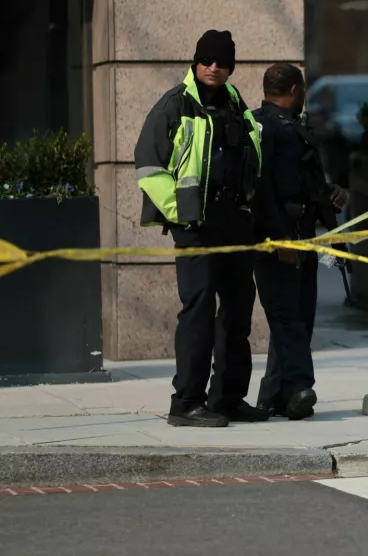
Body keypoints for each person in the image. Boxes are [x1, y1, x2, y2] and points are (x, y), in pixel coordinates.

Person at [134, 30, 268, 427]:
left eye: (222, 62)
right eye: (207, 60)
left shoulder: (237, 105)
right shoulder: (175, 105)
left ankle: (227, 397)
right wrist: (182, 211)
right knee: (197, 310)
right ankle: (187, 402)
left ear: (231, 67)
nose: (214, 67)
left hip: (235, 223)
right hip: (195, 225)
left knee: (238, 312)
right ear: (195, 63)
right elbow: (148, 165)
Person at [251, 63, 348, 420]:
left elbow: (303, 183)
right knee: (288, 317)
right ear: (295, 90)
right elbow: (264, 191)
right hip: (279, 239)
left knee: (298, 316)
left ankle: (273, 395)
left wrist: (330, 194)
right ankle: (297, 388)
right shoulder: (265, 129)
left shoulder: (291, 128)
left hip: (300, 235)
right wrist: (280, 238)